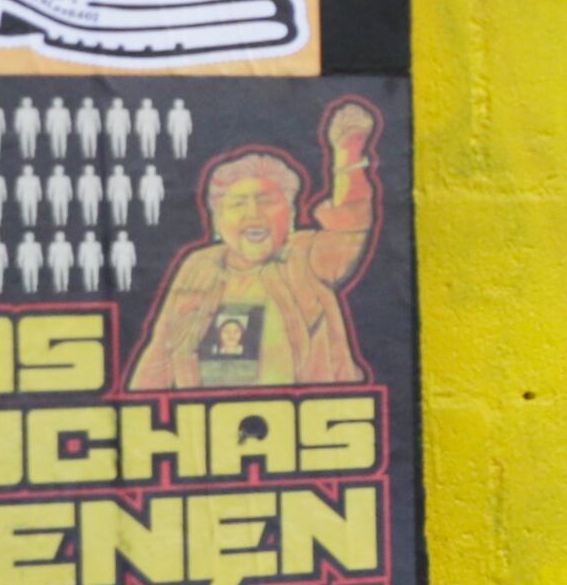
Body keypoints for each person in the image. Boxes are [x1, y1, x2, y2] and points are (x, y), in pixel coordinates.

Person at [127, 99, 383, 391]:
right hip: (208, 425)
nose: (253, 213)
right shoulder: (199, 265)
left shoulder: (305, 256)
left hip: (298, 425)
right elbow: (161, 350)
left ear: (290, 214)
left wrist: (348, 156)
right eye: (238, 204)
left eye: (266, 201)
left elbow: (349, 225)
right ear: (218, 220)